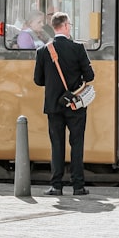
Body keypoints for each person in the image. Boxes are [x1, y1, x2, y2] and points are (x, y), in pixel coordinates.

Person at [33, 12, 95, 196]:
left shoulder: (43, 51)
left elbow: (38, 80)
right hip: (76, 104)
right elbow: (90, 76)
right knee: (77, 145)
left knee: (57, 145)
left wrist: (53, 84)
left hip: (53, 106)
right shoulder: (78, 48)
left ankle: (56, 186)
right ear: (66, 26)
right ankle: (78, 186)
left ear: (54, 27)